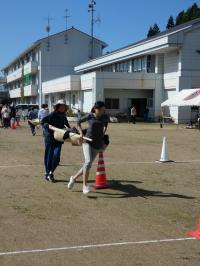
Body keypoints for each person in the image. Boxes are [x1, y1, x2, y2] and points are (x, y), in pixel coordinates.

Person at [67, 101, 109, 194]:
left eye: (104, 109)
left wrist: (103, 133)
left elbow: (106, 125)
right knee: (88, 162)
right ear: (95, 109)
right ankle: (84, 186)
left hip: (98, 143)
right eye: (101, 110)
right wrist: (81, 133)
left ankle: (73, 178)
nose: (103, 111)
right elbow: (78, 122)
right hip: (87, 142)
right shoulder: (90, 116)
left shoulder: (105, 116)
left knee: (87, 165)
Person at [41, 100, 71, 182]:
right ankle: (48, 173)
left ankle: (51, 172)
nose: (62, 107)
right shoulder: (52, 114)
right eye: (61, 105)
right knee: (49, 156)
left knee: (56, 157)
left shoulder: (63, 116)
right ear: (57, 106)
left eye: (64, 106)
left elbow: (67, 126)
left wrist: (70, 130)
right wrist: (48, 126)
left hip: (59, 138)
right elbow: (43, 122)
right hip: (50, 138)